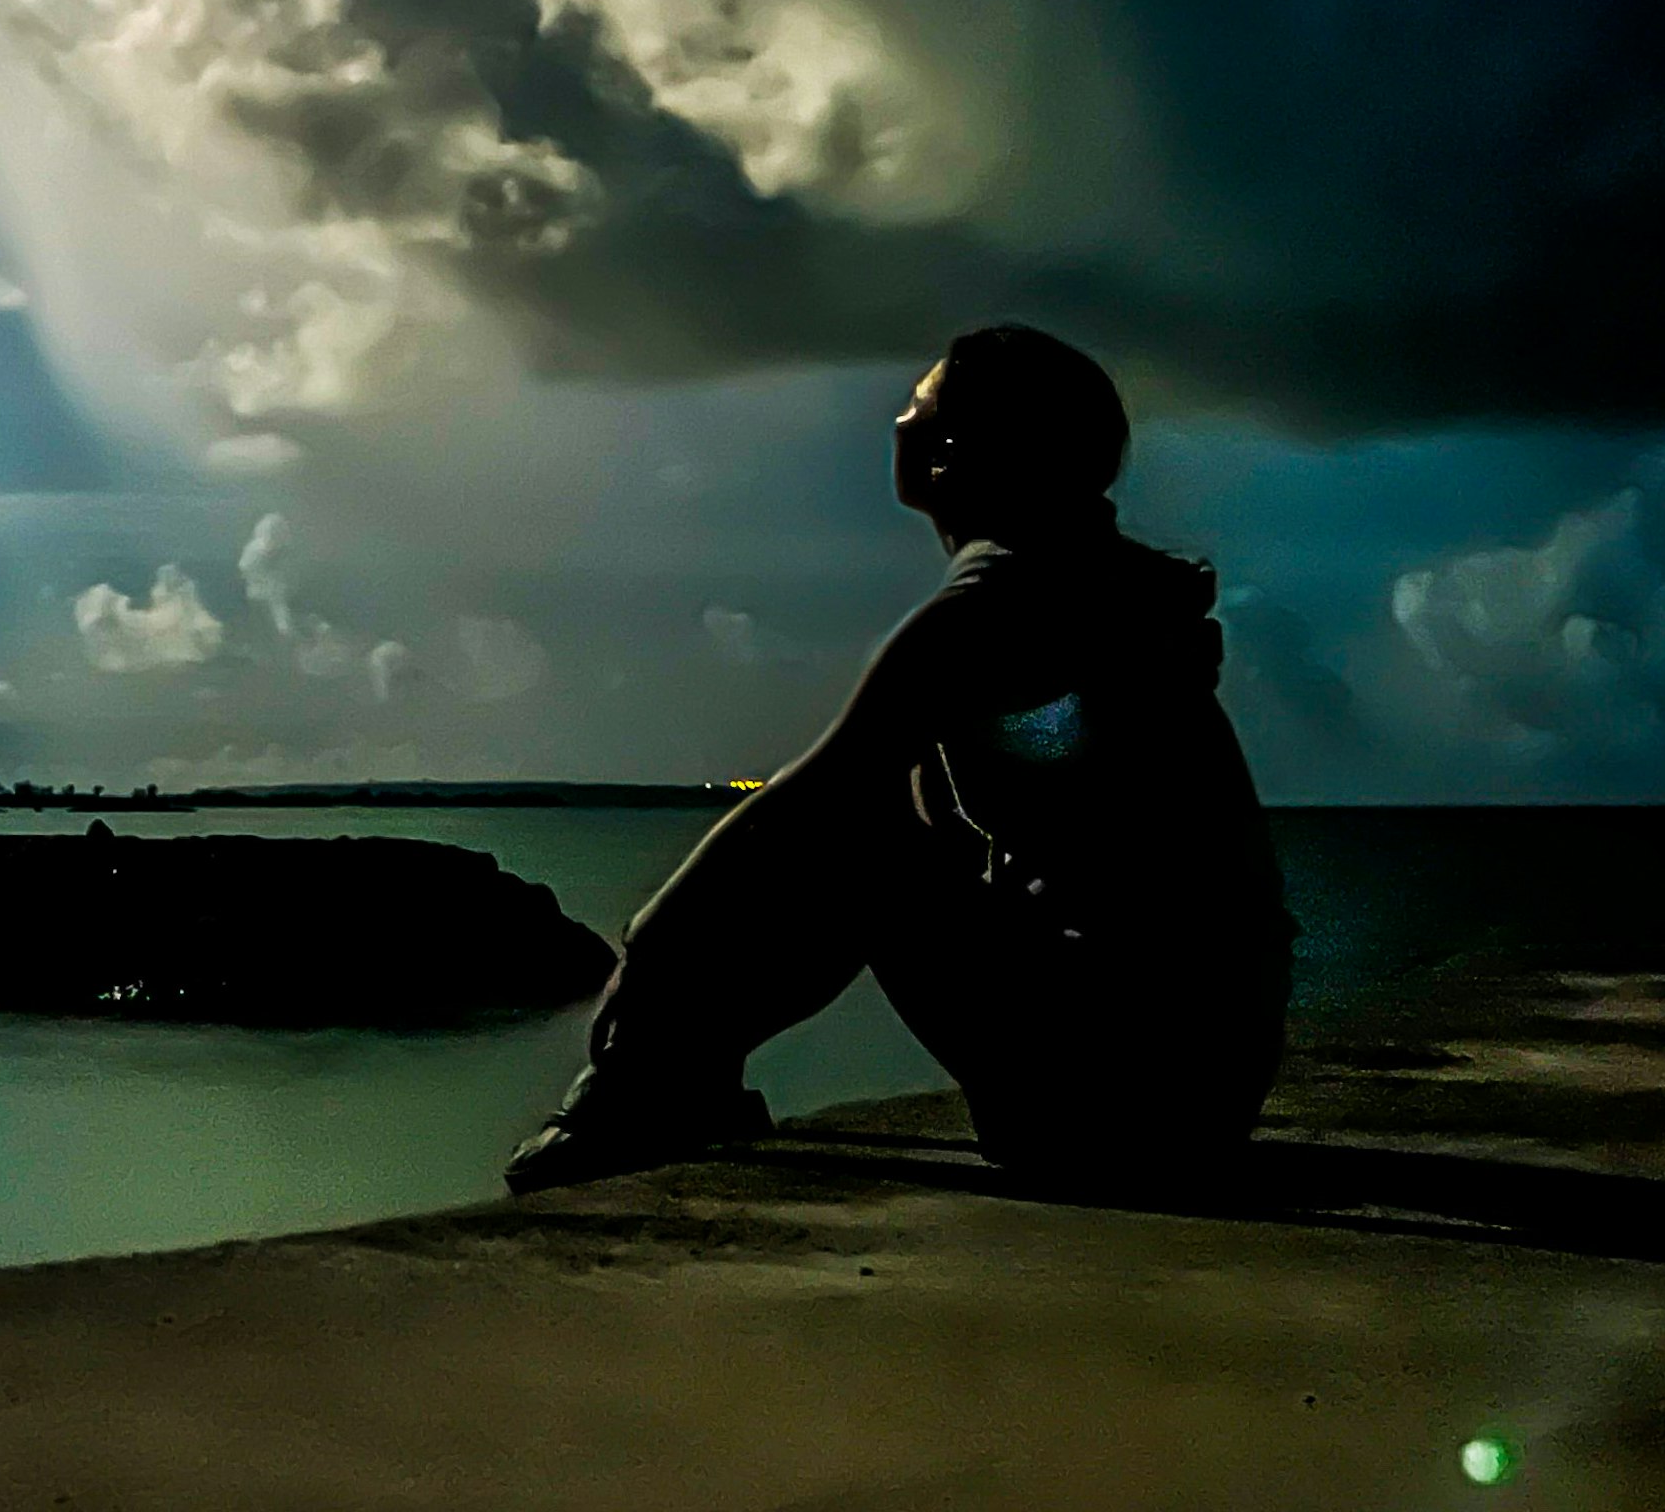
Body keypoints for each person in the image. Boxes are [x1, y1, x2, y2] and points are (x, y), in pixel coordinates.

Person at [506, 323, 1289, 1197]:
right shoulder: (1092, 584)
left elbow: (807, 808)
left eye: (918, 410)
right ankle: (676, 1082)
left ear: (957, 452)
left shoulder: (1000, 603)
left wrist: (648, 958)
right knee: (882, 824)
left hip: (1125, 1111)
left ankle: (652, 1089)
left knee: (852, 837)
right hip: (1199, 1094)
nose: (898, 425)